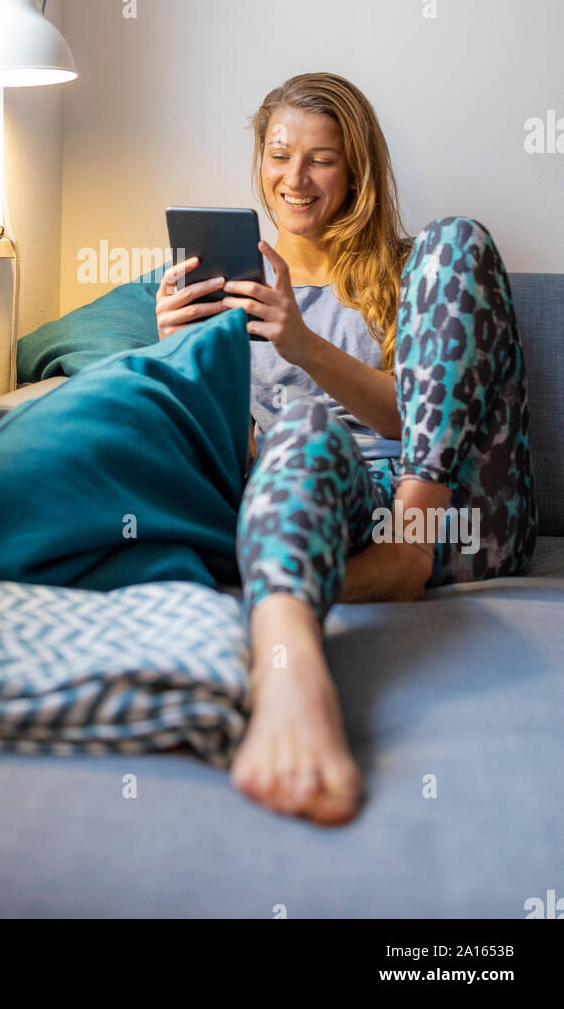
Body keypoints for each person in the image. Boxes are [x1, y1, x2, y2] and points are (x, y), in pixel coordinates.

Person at [155, 72, 537, 825]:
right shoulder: (231, 288)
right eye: (278, 154)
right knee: (299, 430)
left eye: (321, 159)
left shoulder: (415, 272)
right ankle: (288, 664)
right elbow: (243, 455)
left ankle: (403, 558)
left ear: (356, 168)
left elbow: (414, 419)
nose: (294, 178)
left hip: (446, 515)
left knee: (459, 235)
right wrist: (182, 357)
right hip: (324, 515)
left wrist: (303, 345)